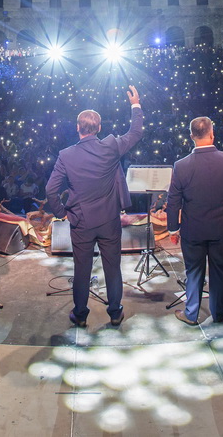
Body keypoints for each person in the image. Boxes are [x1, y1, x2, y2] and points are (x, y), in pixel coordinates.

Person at [46, 85, 144, 327]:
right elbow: (136, 132)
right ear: (99, 128)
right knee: (113, 267)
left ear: (78, 128)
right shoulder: (111, 146)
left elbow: (50, 190)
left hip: (80, 222)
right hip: (109, 220)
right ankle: (115, 313)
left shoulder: (66, 155)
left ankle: (80, 315)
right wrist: (135, 104)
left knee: (82, 270)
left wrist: (62, 214)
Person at [166, 117, 223, 325]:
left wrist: (173, 230)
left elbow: (173, 201)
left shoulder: (181, 165)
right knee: (220, 270)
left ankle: (191, 314)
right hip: (222, 228)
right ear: (212, 133)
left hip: (193, 230)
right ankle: (218, 312)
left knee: (193, 272)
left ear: (191, 137)